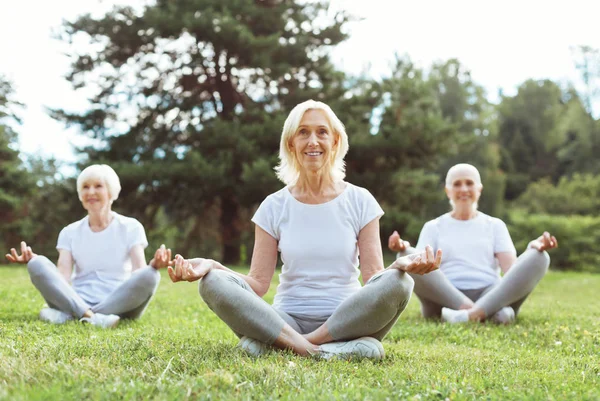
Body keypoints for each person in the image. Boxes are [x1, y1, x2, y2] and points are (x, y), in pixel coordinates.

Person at [167, 100, 441, 359]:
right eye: (303, 133)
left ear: (335, 141)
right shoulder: (273, 206)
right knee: (212, 282)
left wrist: (399, 266)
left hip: (347, 320)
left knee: (400, 283)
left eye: (322, 132)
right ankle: (324, 350)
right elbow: (257, 284)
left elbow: (373, 279)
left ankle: (285, 345)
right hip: (286, 320)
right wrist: (212, 265)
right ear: (291, 143)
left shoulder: (361, 200)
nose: (313, 141)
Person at [388, 163, 558, 324]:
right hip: (445, 297)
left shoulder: (495, 225)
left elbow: (511, 272)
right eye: (457, 184)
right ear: (448, 191)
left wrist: (531, 251)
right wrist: (404, 250)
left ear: (479, 189)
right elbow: (422, 269)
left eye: (469, 183)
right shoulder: (433, 227)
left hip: (490, 293)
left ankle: (469, 315)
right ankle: (486, 313)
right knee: (406, 256)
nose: (464, 189)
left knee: (540, 257)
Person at [5, 164, 171, 328]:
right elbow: (62, 277)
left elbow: (138, 272)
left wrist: (154, 266)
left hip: (120, 304)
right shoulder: (69, 232)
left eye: (98, 186)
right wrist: (37, 264)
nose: (91, 192)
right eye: (85, 187)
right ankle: (91, 317)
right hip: (78, 299)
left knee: (151, 275)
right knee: (37, 263)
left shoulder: (131, 227)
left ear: (111, 192)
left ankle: (70, 316)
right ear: (80, 194)